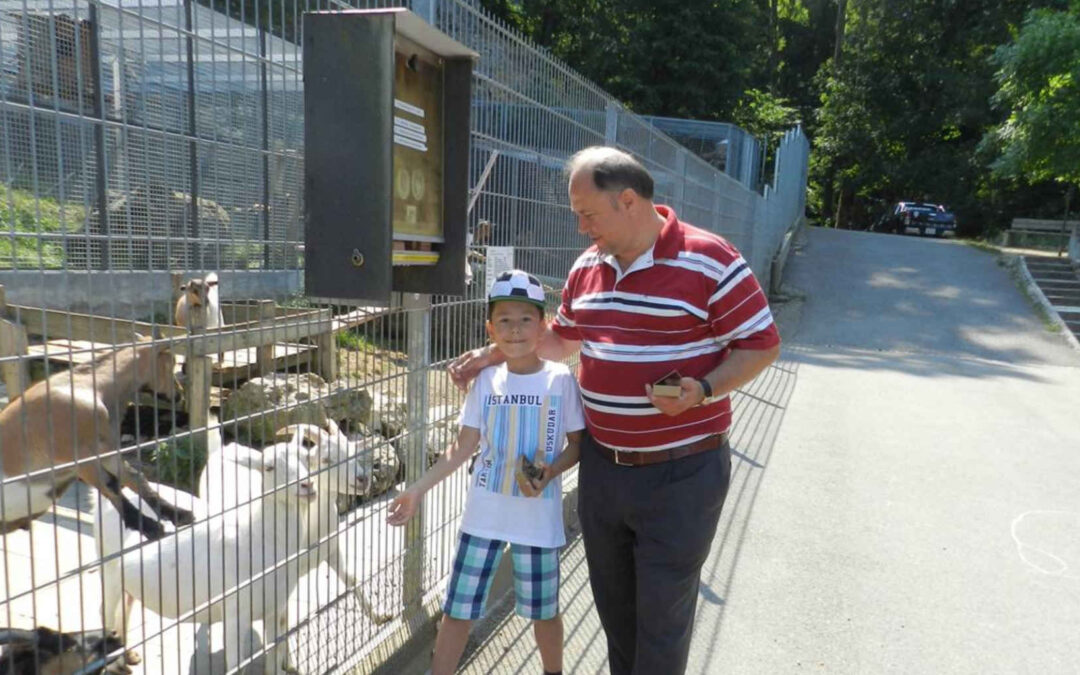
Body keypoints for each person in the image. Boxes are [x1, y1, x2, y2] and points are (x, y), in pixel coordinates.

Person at [449, 147, 781, 674]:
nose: (581, 228)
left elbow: (762, 344)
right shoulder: (587, 268)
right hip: (605, 470)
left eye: (588, 213)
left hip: (683, 472)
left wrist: (703, 388)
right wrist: (492, 354)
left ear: (628, 200)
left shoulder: (710, 259)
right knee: (617, 611)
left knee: (661, 618)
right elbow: (561, 340)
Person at [388, 269, 585, 675]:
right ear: (490, 328)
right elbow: (462, 447)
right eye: (505, 321)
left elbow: (578, 445)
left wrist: (549, 473)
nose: (515, 330)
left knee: (544, 613)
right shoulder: (486, 381)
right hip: (483, 518)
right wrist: (418, 489)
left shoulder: (561, 380)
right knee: (458, 610)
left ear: (543, 325)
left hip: (538, 520)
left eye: (526, 319)